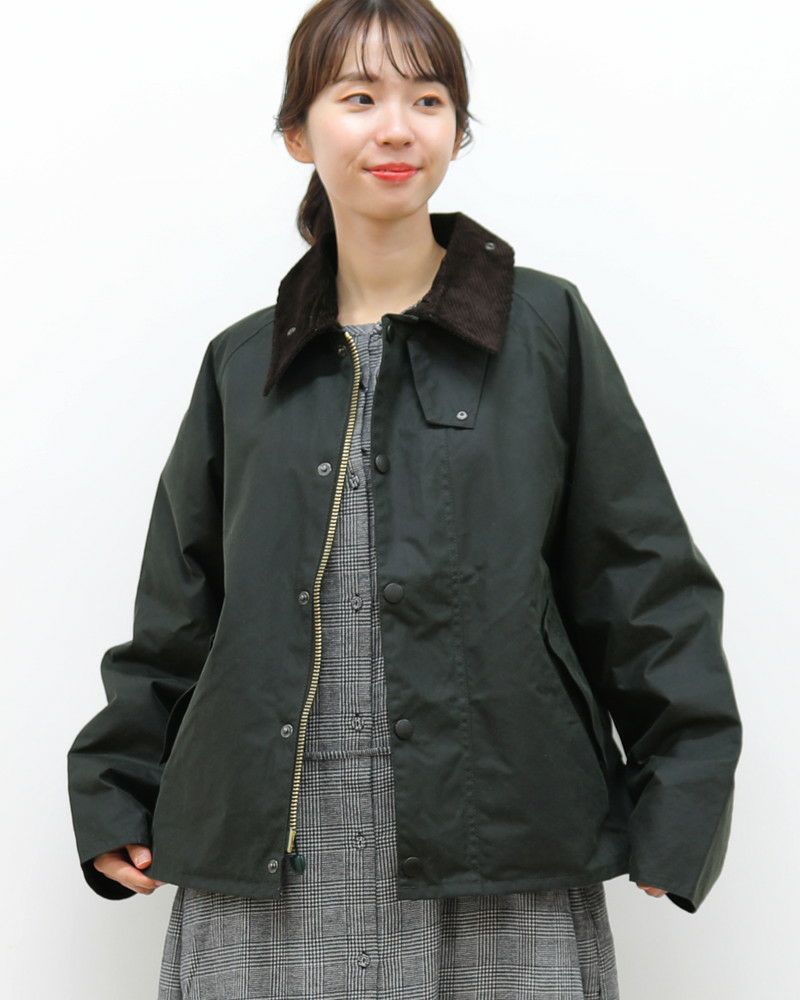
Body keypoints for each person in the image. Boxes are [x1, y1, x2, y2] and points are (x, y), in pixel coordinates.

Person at [67, 1, 743, 997]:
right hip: (271, 848)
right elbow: (181, 608)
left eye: (427, 99)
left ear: (456, 130)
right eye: (359, 97)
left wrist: (680, 796)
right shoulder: (242, 363)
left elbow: (640, 578)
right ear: (298, 133)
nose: (396, 128)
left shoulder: (544, 329)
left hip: (502, 837)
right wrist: (116, 789)